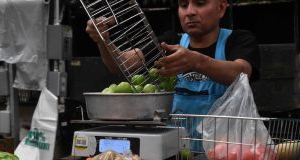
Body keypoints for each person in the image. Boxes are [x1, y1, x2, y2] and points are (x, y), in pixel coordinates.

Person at [86, 0, 259, 153]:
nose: (190, 11)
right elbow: (121, 64)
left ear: (221, 8)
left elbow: (242, 72)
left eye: (200, 3)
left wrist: (197, 61)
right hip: (174, 150)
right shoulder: (169, 43)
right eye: (183, 5)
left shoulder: (238, 40)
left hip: (224, 152)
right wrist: (103, 41)